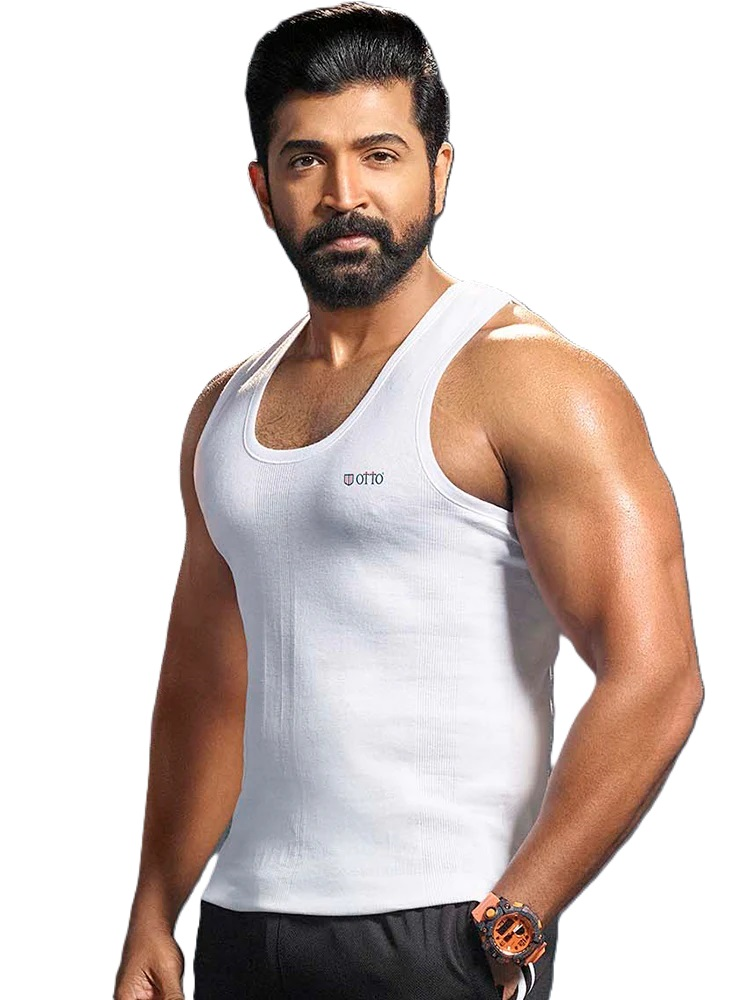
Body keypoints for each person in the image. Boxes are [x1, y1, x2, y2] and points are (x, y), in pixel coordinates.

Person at [113, 4, 704, 999]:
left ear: (440, 169)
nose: (345, 195)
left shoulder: (530, 381)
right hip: (245, 925)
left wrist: (520, 916)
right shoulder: (223, 411)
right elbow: (208, 687)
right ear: (262, 189)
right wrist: (152, 908)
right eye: (306, 160)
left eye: (380, 155)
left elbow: (657, 675)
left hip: (445, 927)